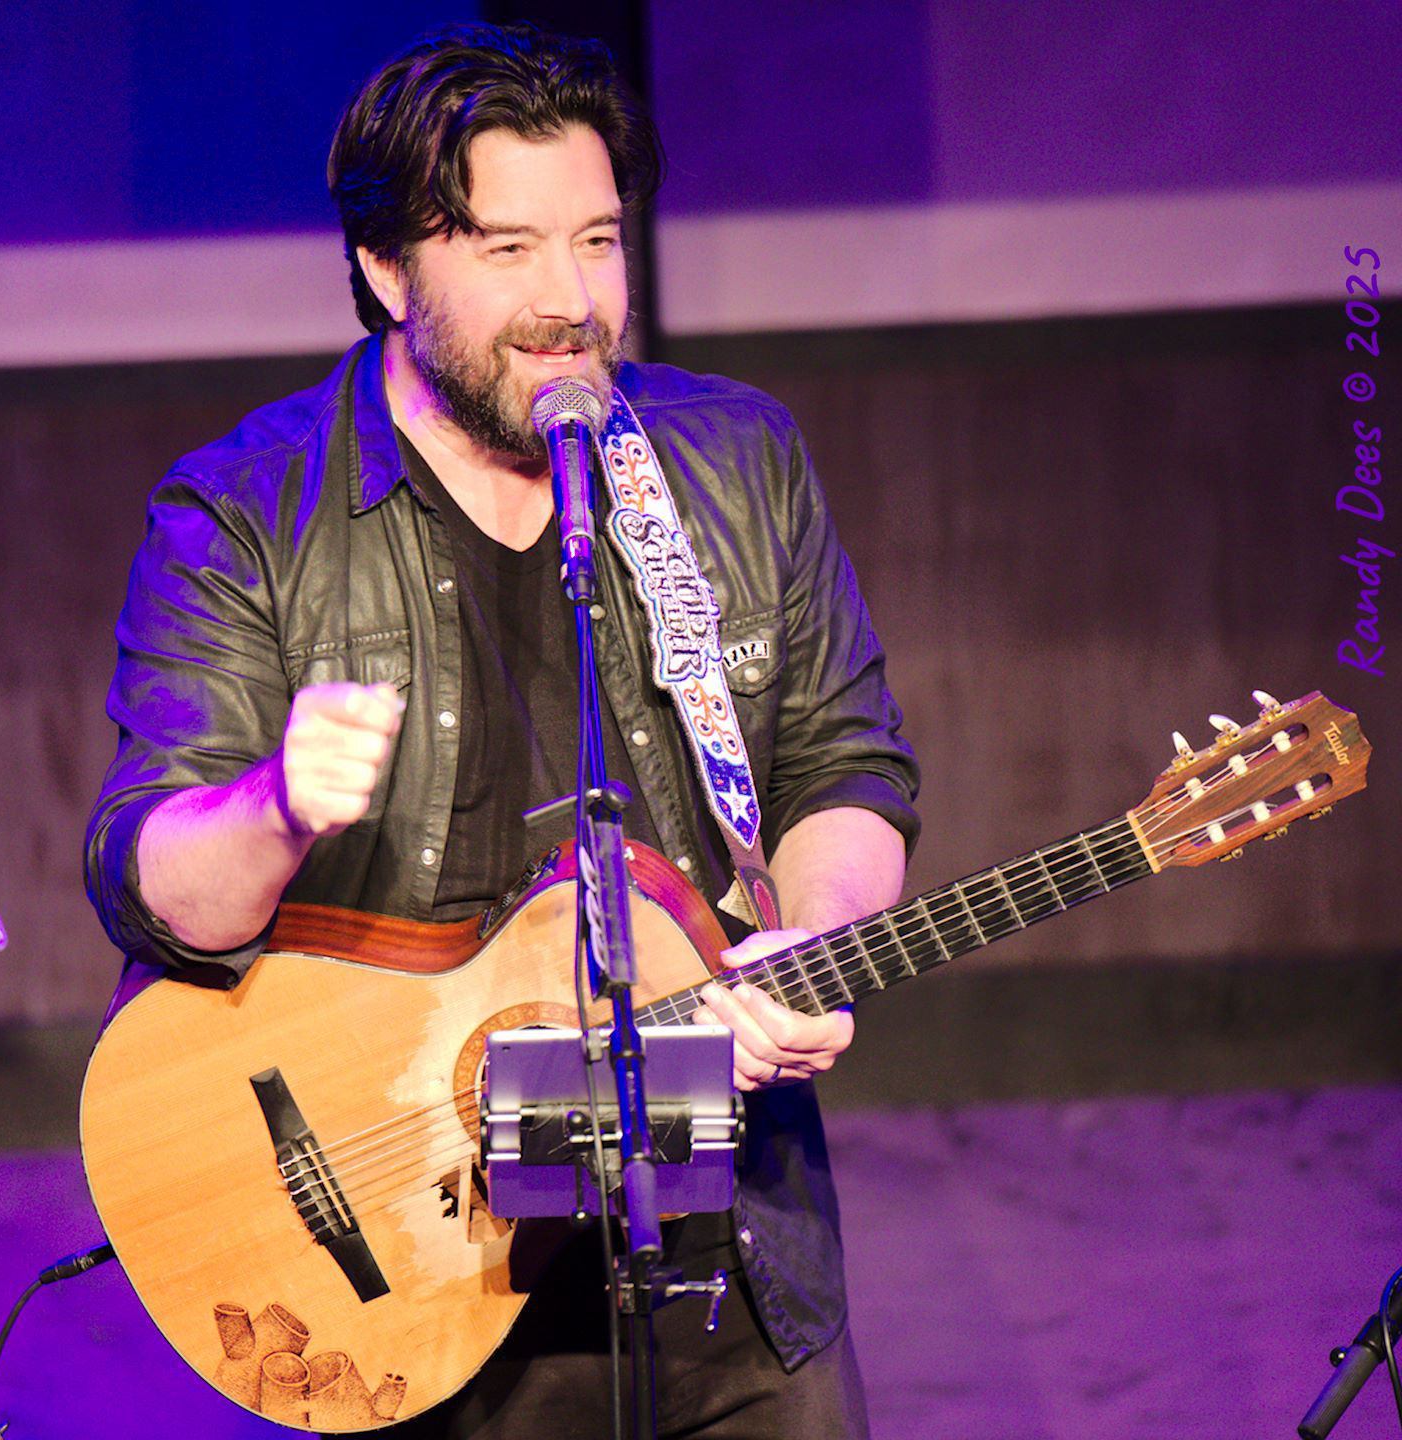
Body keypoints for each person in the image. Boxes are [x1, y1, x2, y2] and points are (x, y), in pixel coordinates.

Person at [84, 22, 919, 1438]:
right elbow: (156, 893)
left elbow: (846, 767)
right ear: (386, 268)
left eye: (598, 241)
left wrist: (813, 928)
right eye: (510, 249)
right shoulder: (242, 514)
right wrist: (275, 808)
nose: (571, 300)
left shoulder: (735, 459)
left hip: (730, 1254)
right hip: (405, 1263)